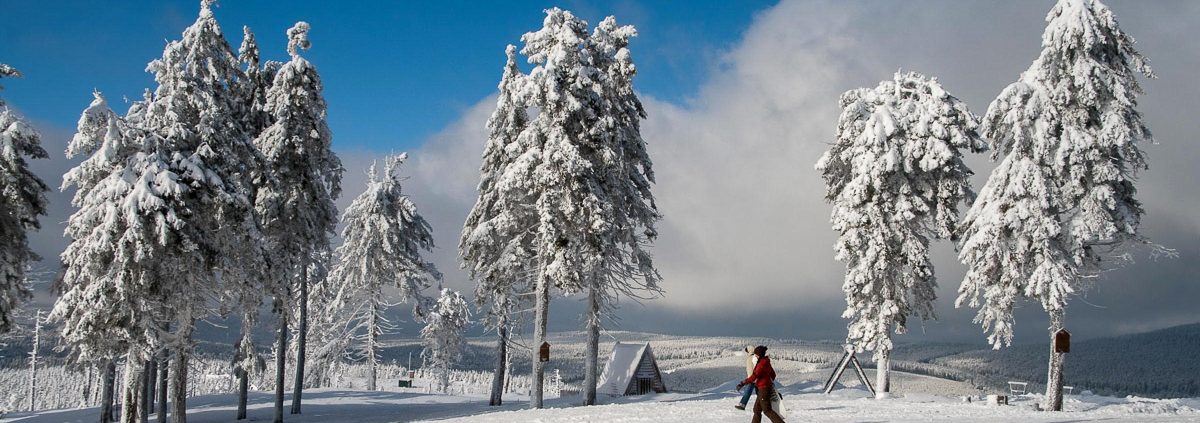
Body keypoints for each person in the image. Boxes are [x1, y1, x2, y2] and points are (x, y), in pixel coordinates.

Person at [737, 345, 785, 423]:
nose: (755, 356)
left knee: (767, 410)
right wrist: (768, 382)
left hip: (763, 390)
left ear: (759, 355)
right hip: (763, 389)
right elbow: (773, 374)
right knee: (756, 409)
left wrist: (743, 383)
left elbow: (754, 376)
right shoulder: (766, 362)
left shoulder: (761, 364)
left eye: (756, 354)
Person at [736, 345, 757, 410]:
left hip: (752, 378)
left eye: (747, 351)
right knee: (753, 392)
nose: (746, 352)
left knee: (747, 392)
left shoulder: (752, 358)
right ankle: (742, 404)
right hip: (753, 378)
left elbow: (752, 369)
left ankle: (742, 405)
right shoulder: (753, 357)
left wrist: (750, 377)